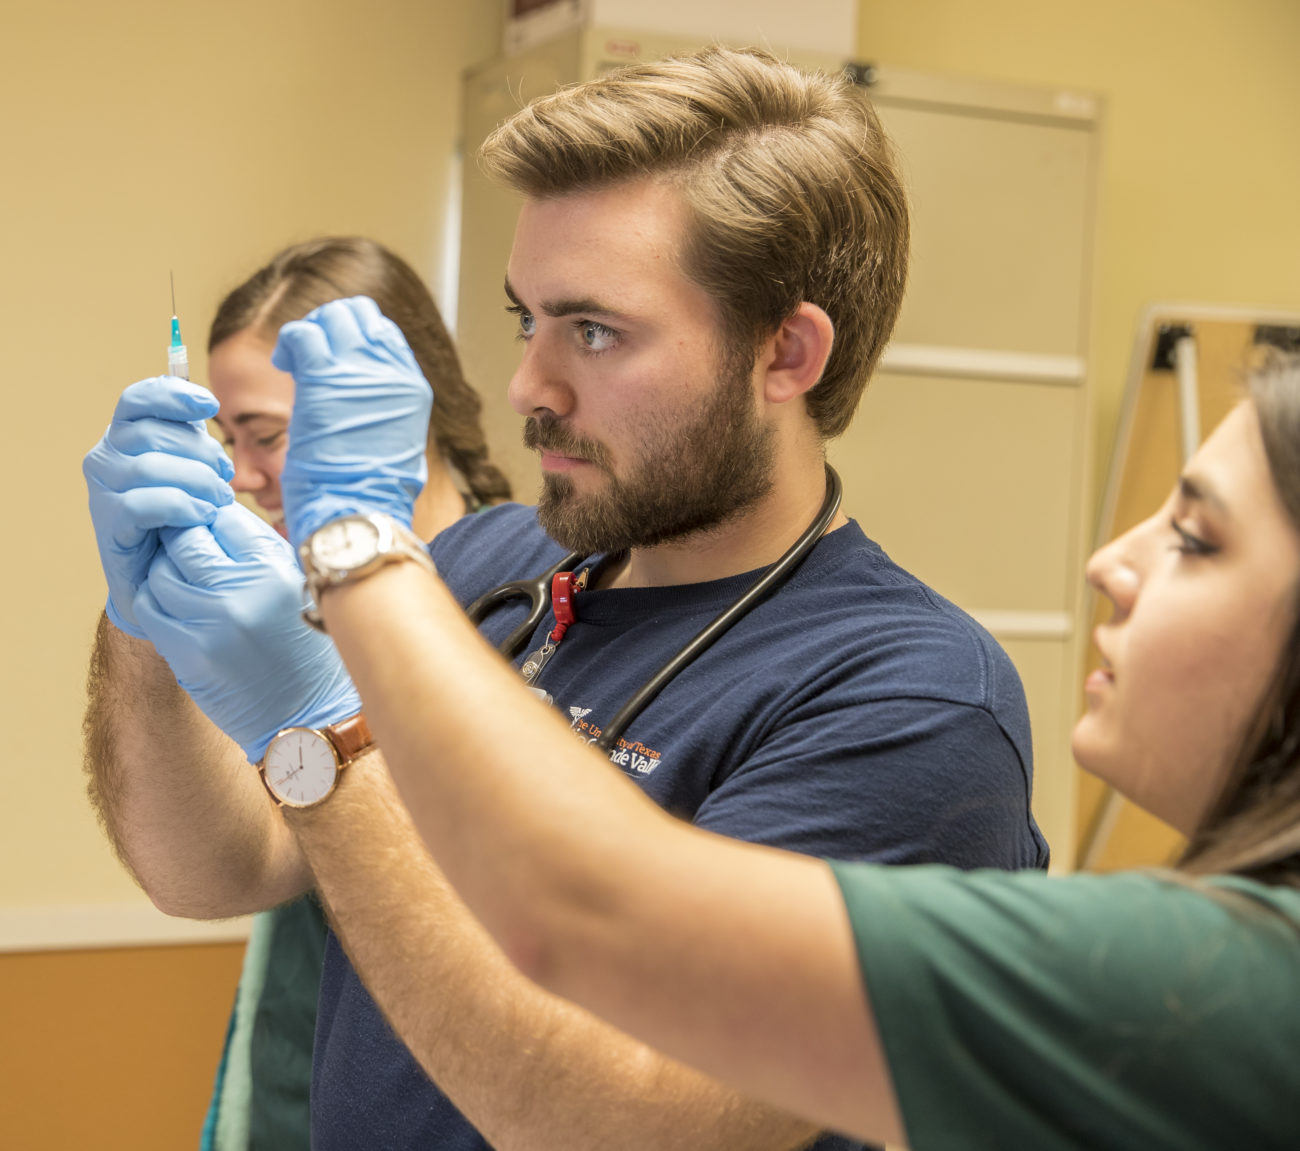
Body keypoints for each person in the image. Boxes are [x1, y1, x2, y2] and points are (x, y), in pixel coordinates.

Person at [83, 47, 1049, 1151]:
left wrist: (325, 729)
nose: (527, 388)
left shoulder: (907, 701)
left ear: (785, 351)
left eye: (593, 330)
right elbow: (215, 869)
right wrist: (146, 619)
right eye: (526, 320)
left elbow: (633, 1121)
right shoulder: (484, 567)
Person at [265, 349, 1300, 1150]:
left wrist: (357, 558)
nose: (1108, 562)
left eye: (1197, 539)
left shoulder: (1232, 974)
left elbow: (587, 915)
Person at [196, 236, 511, 1150]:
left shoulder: (526, 599)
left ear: (389, 407)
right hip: (303, 1064)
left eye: (268, 435)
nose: (243, 478)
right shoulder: (299, 596)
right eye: (227, 442)